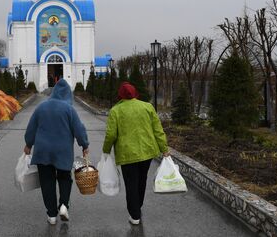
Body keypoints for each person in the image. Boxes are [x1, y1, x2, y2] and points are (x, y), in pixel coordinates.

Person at [102, 82, 169, 225]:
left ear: (120, 95)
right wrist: (164, 149)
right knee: (141, 180)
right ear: (135, 93)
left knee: (131, 183)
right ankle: (137, 207)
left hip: (127, 154)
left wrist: (106, 151)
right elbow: (158, 130)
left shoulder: (116, 110)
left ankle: (135, 215)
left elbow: (111, 134)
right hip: (147, 152)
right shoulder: (147, 107)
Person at [24, 79, 89, 225]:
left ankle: (52, 215)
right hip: (63, 152)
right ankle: (64, 205)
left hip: (43, 151)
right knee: (65, 177)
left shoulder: (41, 107)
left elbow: (31, 128)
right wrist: (84, 145)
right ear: (68, 94)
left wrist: (28, 144)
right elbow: (79, 130)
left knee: (47, 181)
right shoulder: (69, 109)